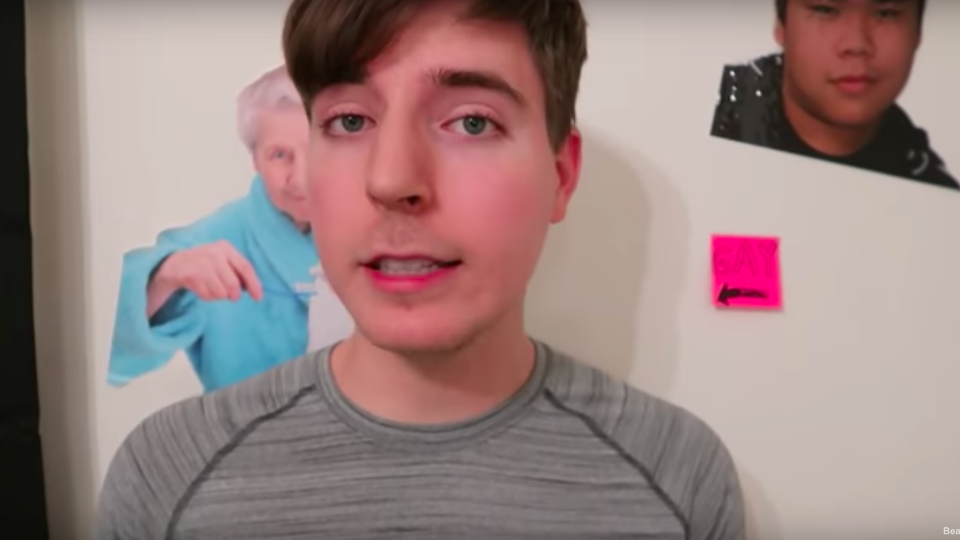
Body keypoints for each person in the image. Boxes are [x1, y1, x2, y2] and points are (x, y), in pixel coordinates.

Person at [95, 1, 745, 538]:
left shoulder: (676, 475)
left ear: (561, 175)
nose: (392, 179)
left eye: (470, 122)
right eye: (349, 120)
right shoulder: (168, 478)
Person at [106, 65, 353, 393]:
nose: (300, 177)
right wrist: (164, 275)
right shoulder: (214, 242)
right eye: (279, 155)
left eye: (316, 150)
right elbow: (101, 340)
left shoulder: (384, 226)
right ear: (255, 160)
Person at [711, 0, 958, 190]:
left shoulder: (934, 196)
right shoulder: (704, 122)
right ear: (781, 25)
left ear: (918, 32)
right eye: (826, 10)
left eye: (887, 13)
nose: (857, 44)